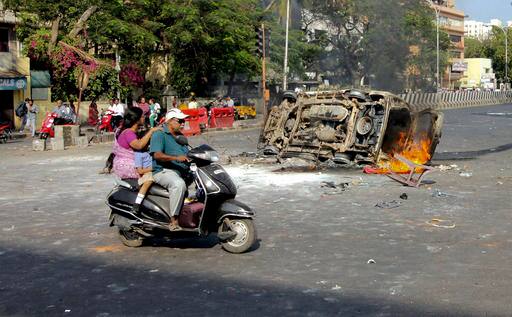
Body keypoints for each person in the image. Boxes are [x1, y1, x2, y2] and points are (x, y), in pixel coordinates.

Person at [150, 109, 191, 231]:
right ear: (170, 121)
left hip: (181, 171)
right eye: (180, 121)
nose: (183, 123)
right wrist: (176, 158)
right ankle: (174, 220)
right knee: (178, 184)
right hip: (163, 171)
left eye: (184, 121)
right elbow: (157, 155)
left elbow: (187, 154)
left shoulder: (180, 136)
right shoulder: (160, 134)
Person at [112, 107, 160, 180]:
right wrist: (151, 131)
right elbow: (139, 145)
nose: (145, 118)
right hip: (127, 167)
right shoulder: (128, 132)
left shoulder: (130, 131)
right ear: (137, 120)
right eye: (143, 116)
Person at [132, 143, 154, 213]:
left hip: (157, 171)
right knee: (148, 182)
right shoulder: (138, 154)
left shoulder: (151, 151)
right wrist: (152, 168)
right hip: (148, 172)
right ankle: (137, 204)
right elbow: (140, 171)